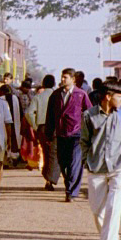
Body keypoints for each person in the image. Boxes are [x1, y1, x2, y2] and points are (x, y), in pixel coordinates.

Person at [81, 79, 121, 240]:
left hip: (119, 167)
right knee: (98, 212)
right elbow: (84, 141)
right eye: (119, 96)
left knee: (113, 209)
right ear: (108, 96)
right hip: (96, 168)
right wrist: (85, 161)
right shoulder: (89, 115)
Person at [45, 67, 92, 201]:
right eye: (62, 77)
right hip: (60, 134)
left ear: (73, 79)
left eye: (65, 77)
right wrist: (49, 133)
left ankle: (71, 192)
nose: (62, 79)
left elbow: (90, 113)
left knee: (75, 163)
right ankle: (68, 185)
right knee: (63, 162)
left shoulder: (81, 94)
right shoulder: (56, 95)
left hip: (77, 134)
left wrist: (89, 132)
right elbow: (50, 115)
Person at [29, 74, 58, 188]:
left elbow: (29, 113)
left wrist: (35, 125)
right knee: (54, 154)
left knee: (46, 153)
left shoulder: (38, 97)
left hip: (42, 127)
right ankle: (50, 179)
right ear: (54, 83)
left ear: (43, 84)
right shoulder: (58, 95)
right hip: (56, 128)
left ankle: (47, 177)